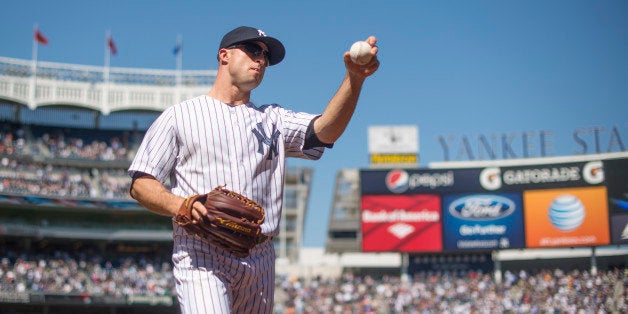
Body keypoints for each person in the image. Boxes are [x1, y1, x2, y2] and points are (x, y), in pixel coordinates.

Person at [128, 25, 379, 313]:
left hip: (259, 255)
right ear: (224, 55)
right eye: (252, 50)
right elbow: (141, 182)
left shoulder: (272, 119)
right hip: (201, 249)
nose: (261, 60)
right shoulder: (180, 116)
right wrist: (179, 204)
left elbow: (325, 132)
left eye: (265, 56)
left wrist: (355, 79)